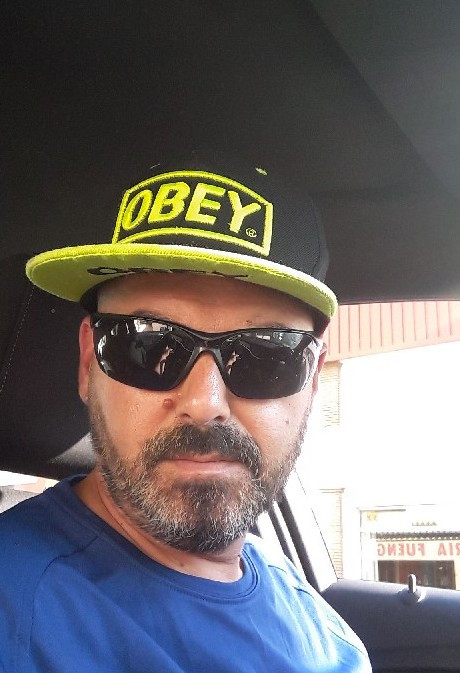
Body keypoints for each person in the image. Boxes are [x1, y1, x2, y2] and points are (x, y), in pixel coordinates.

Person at [0, 155, 371, 672]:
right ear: (89, 362)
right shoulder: (15, 613)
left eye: (266, 354)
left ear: (311, 379)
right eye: (148, 345)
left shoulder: (325, 632)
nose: (205, 403)